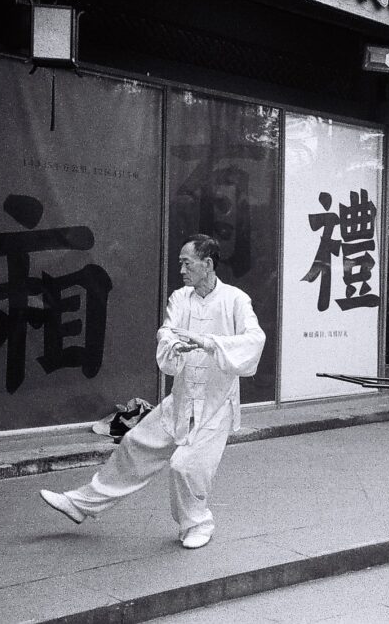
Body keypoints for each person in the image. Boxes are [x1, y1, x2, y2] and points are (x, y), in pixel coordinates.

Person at [39, 234, 266, 548]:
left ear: (208, 264)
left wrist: (208, 342)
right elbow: (167, 332)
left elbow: (254, 340)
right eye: (180, 264)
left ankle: (197, 523)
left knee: (185, 465)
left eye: (187, 263)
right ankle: (80, 504)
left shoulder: (236, 300)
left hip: (216, 405)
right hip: (182, 399)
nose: (182, 270)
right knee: (134, 444)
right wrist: (173, 344)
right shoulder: (180, 298)